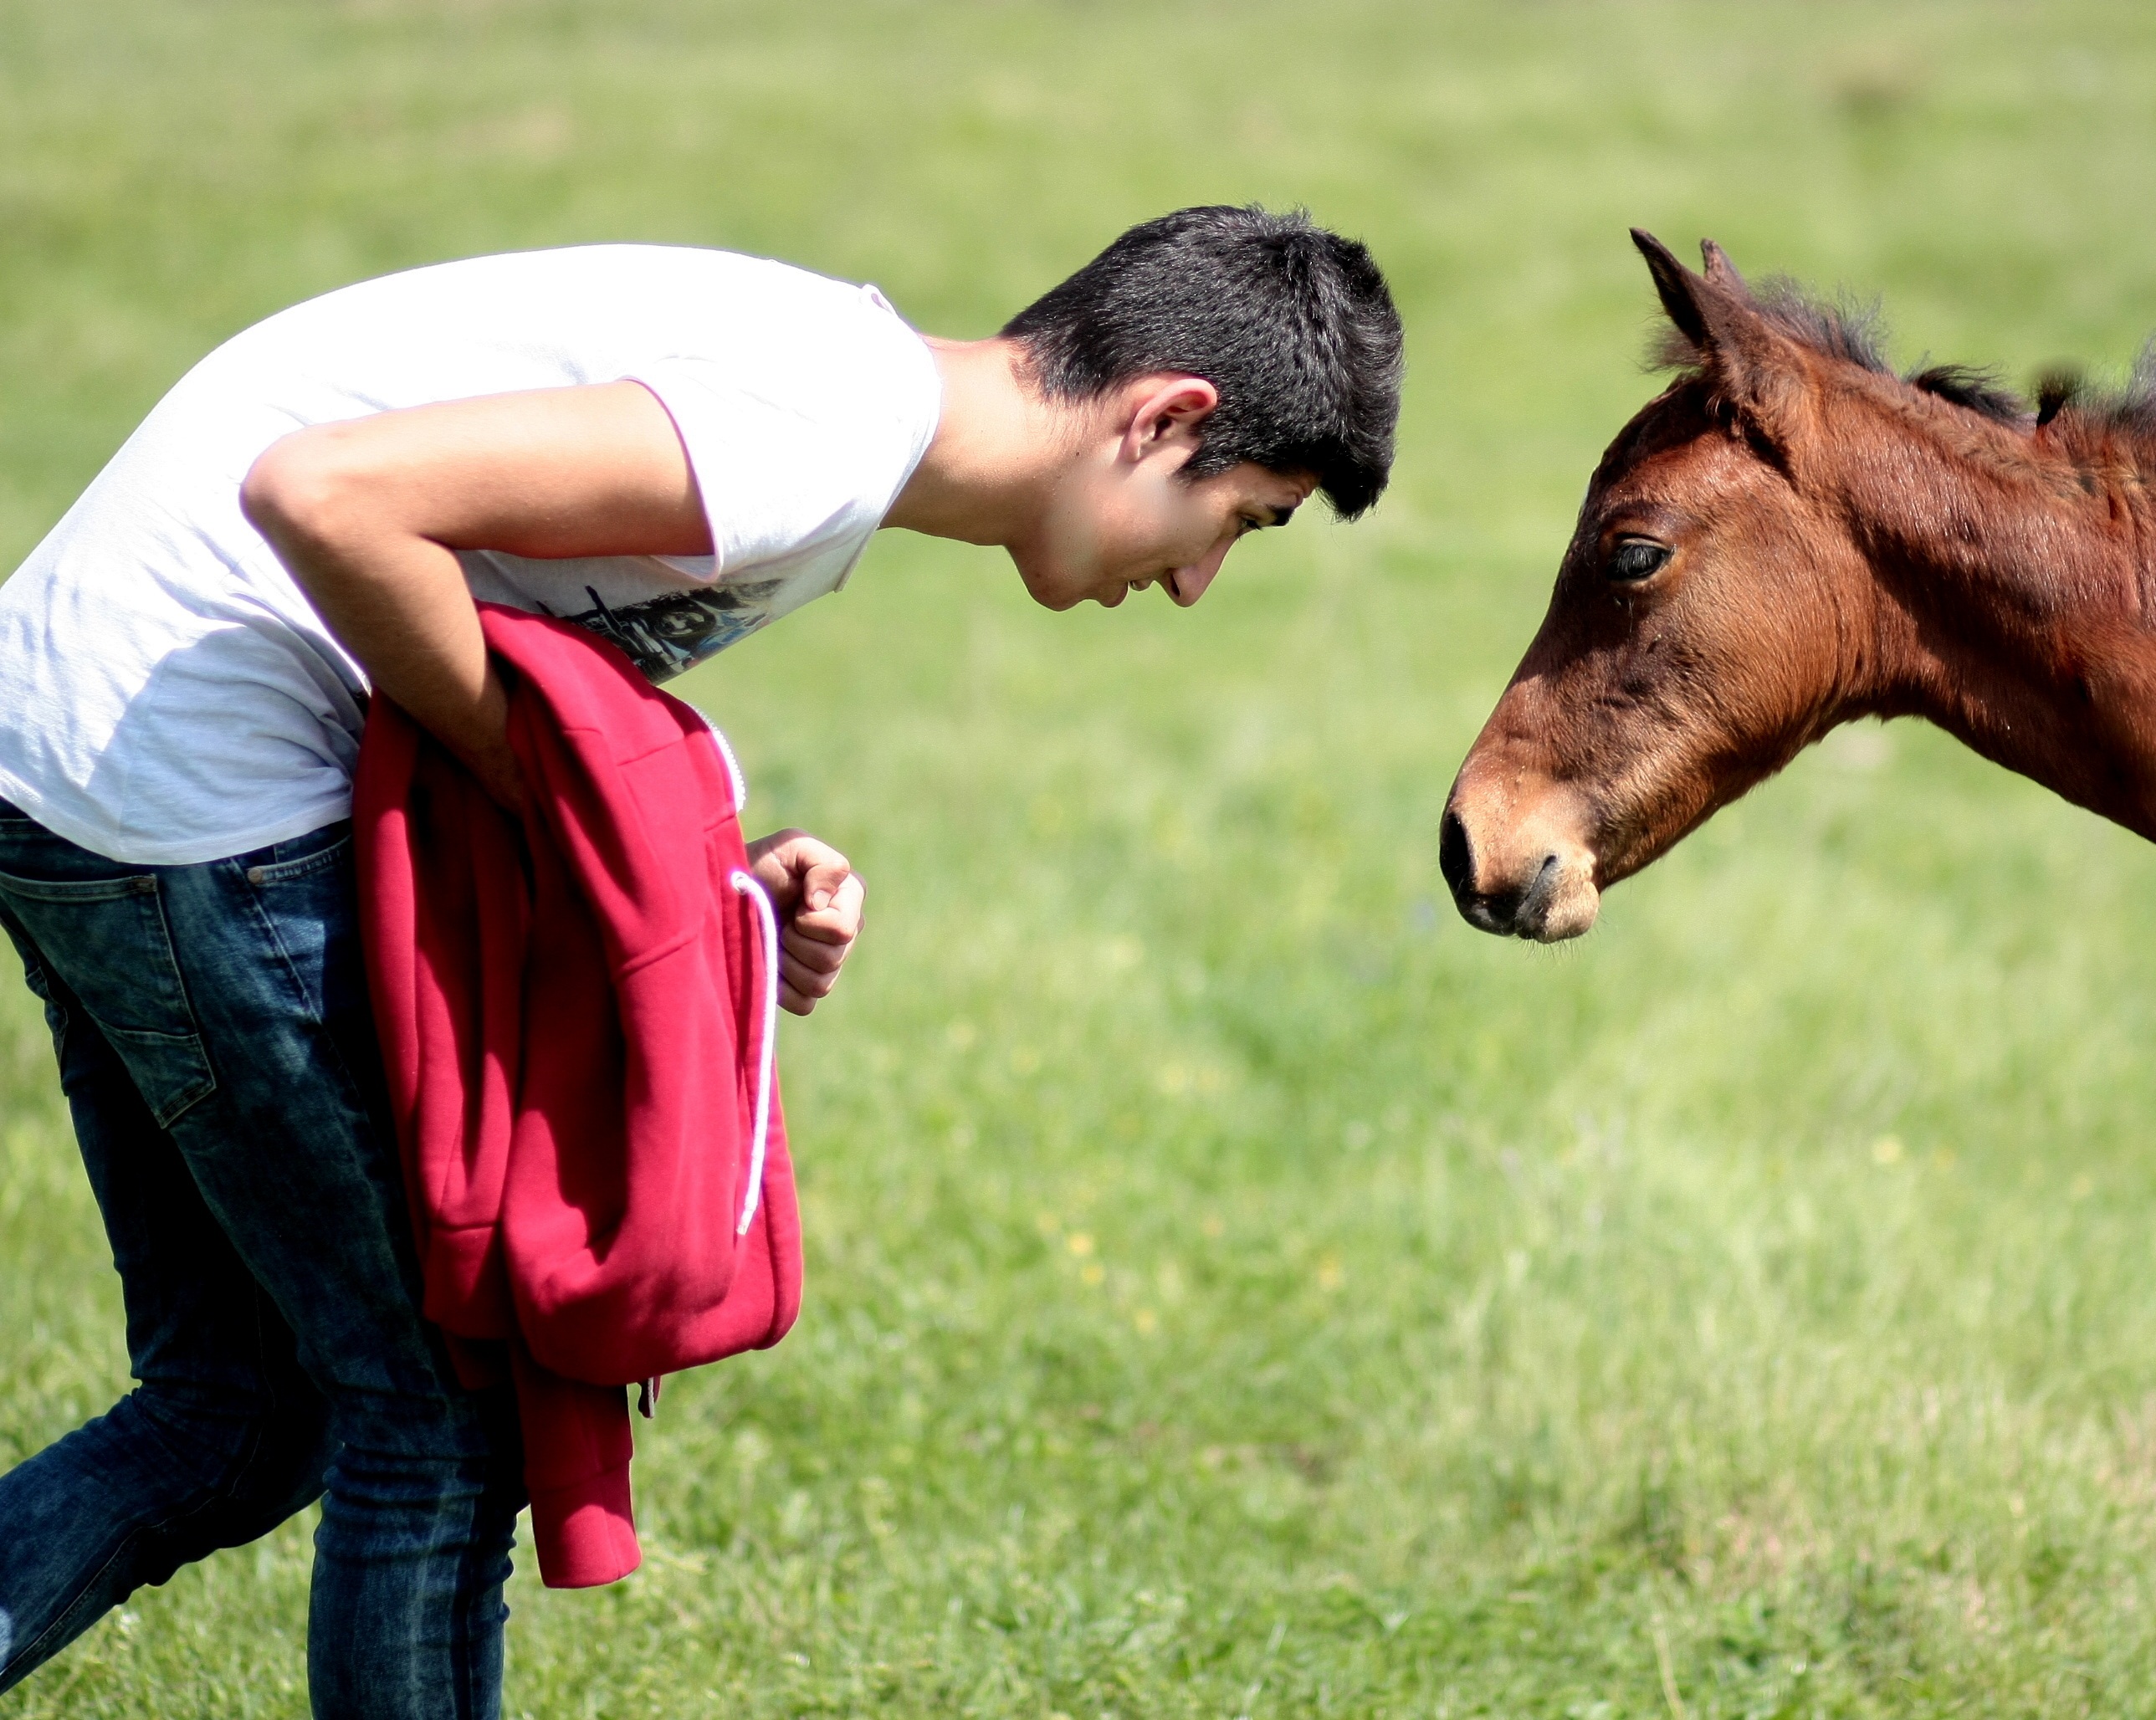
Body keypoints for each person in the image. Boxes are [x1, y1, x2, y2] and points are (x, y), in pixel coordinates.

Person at [0, 204, 1403, 1717]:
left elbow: (517, 659)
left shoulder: (837, 411)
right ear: (1165, 420)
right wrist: (548, 797)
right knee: (441, 1428)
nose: (1199, 584)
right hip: (188, 794)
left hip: (81, 766)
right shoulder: (825, 422)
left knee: (242, 1412)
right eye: (1243, 521)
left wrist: (691, 862)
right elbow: (327, 495)